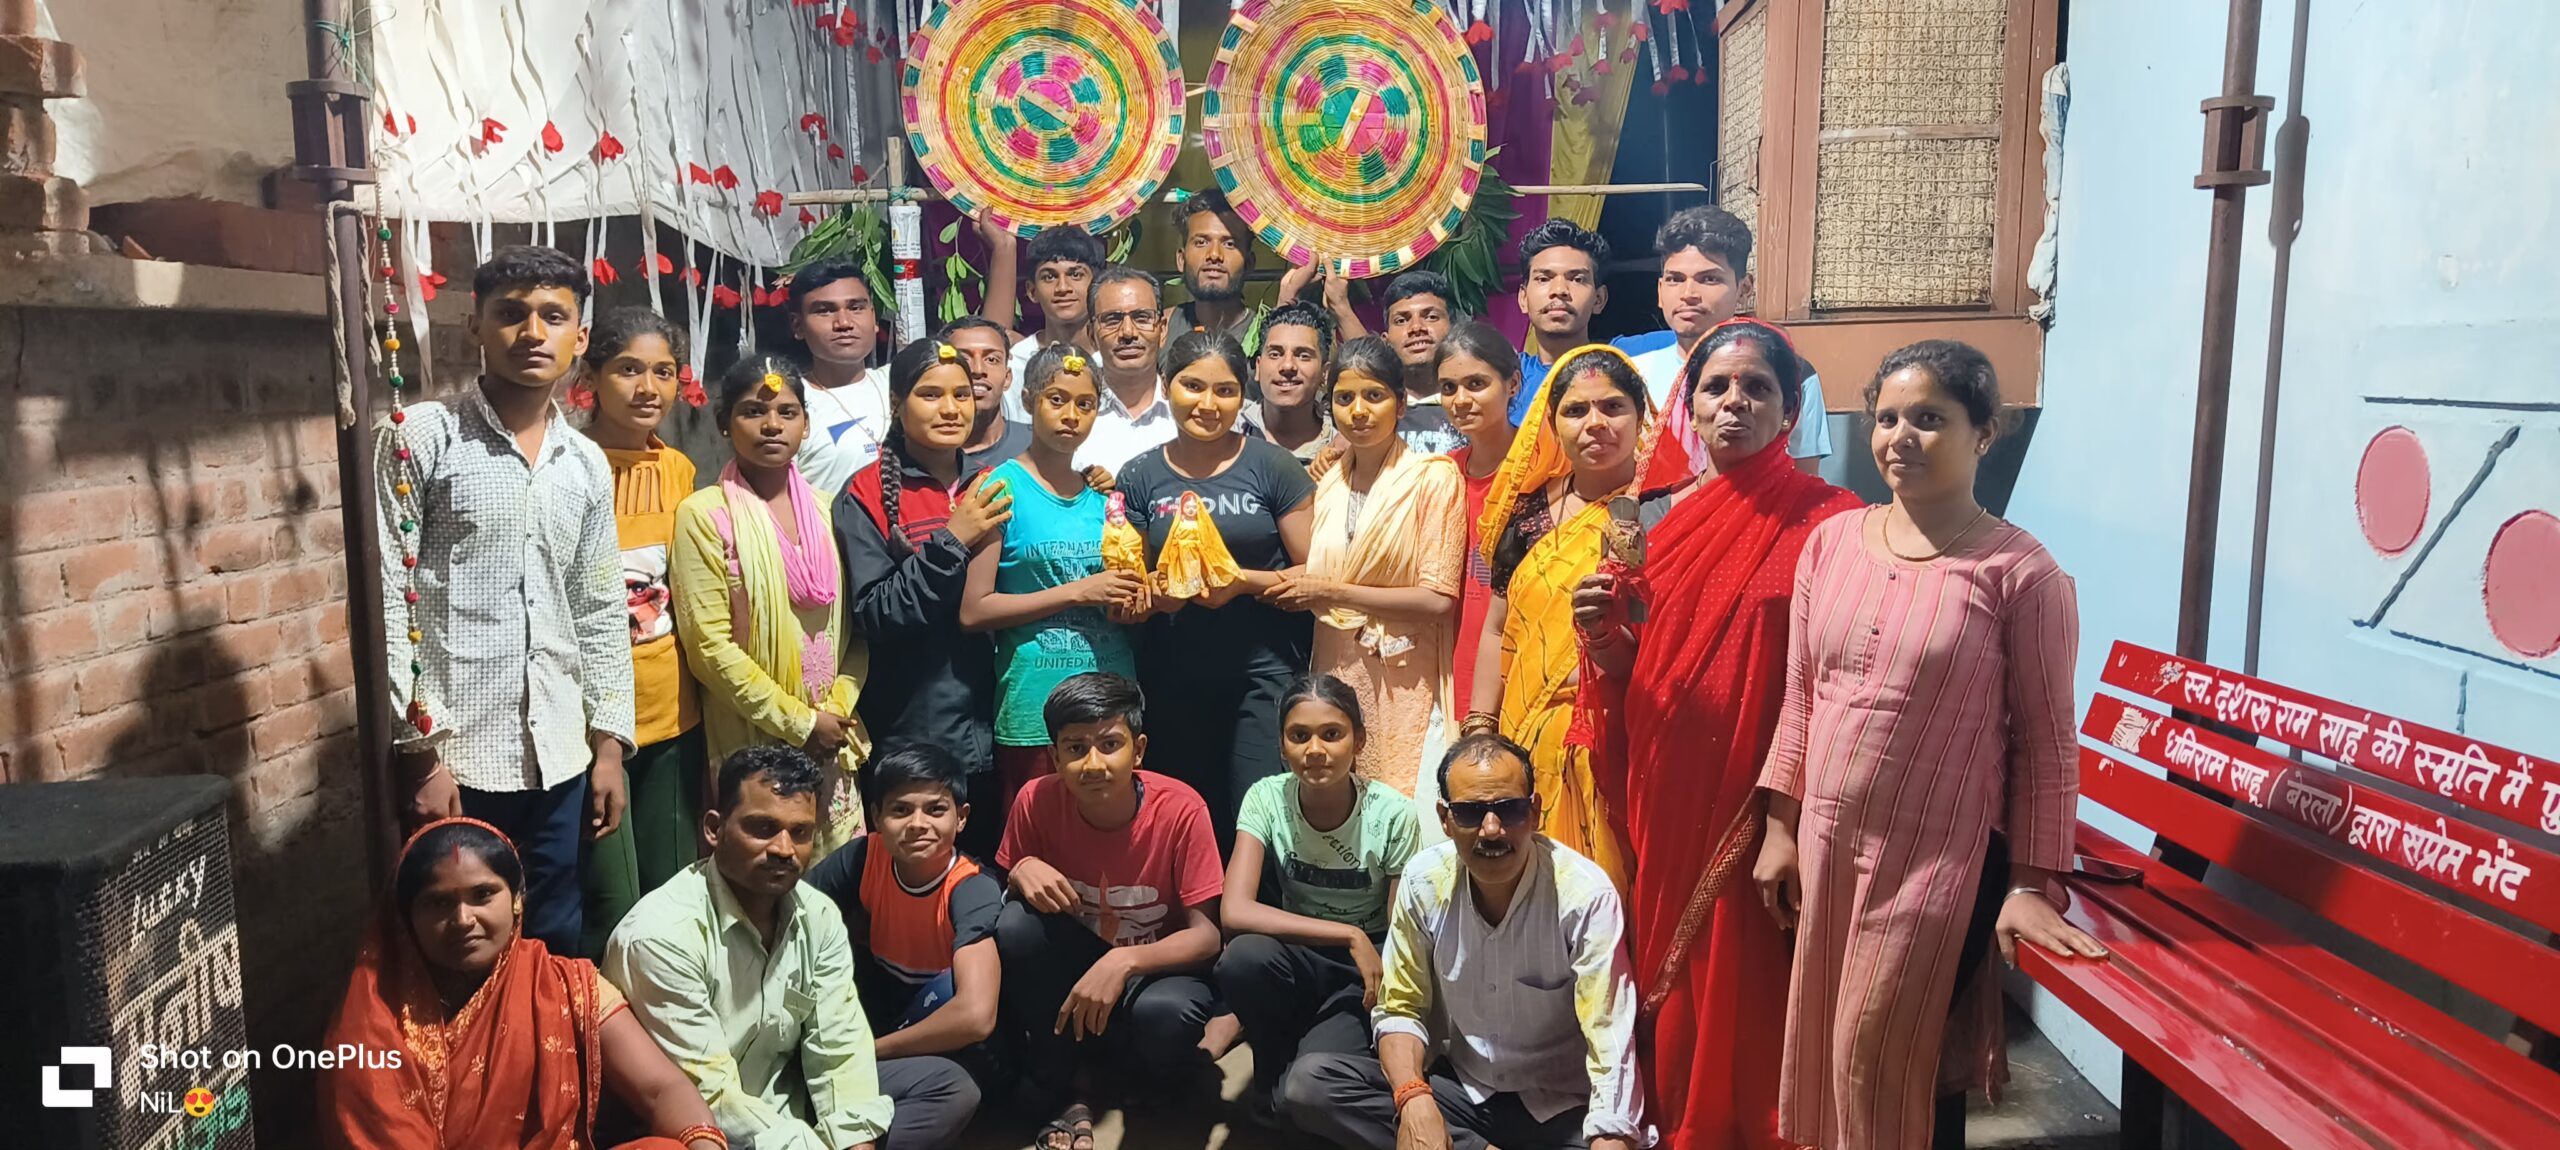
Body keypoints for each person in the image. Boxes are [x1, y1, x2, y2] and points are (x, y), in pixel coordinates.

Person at [1751, 340, 2105, 1150]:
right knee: (1832, 1045)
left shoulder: (2020, 573)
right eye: (1886, 419)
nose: (1899, 438)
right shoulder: (1832, 544)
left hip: (1939, 863)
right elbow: (1802, 696)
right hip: (1829, 845)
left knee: (1875, 1054)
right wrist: (1779, 827)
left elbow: (2048, 744)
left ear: (1985, 432)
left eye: (1929, 419)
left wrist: (2031, 885)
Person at [1571, 320, 1862, 1149]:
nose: (1735, 402)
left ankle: (1761, 1122)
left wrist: (1787, 809)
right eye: (1716, 388)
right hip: (1667, 773)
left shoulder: (1834, 521)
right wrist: (1602, 633)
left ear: (1791, 408)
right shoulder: (1656, 520)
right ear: (1689, 408)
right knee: (1674, 944)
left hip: (1769, 783)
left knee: (1756, 947)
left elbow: (1839, 671)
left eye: (1757, 388)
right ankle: (1674, 1115)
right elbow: (1633, 665)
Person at [378, 244, 633, 956]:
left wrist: (608, 746)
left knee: (551, 935)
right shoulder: (421, 439)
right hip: (458, 758)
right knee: (454, 944)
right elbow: (389, 598)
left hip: (560, 755)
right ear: (476, 328)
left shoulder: (584, 463)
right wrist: (420, 754)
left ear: (580, 336)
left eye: (554, 316)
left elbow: (597, 606)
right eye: (512, 314)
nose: (533, 333)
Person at [1277, 734, 1649, 1150]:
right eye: (1470, 813)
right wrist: (1413, 1098)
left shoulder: (1582, 895)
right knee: (1312, 1085)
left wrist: (1610, 1138)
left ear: (1534, 812)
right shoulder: (1424, 882)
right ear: (1445, 818)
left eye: (1509, 809)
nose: (1491, 830)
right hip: (1465, 1093)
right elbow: (1401, 1007)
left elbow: (1610, 1035)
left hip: (1560, 1106)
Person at [607, 747, 980, 1150]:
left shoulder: (817, 914)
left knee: (947, 1088)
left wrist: (855, 1141)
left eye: (800, 833)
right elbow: (709, 1096)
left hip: (790, 1099)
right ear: (714, 829)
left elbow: (838, 1047)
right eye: (762, 828)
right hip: (703, 1130)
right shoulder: (663, 937)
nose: (783, 849)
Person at [320, 819, 726, 1150]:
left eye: (482, 895)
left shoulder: (562, 983)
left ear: (517, 899)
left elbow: (660, 1088)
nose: (463, 920)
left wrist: (703, 1143)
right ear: (407, 917)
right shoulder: (371, 1021)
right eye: (438, 903)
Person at [1468, 345, 1672, 891]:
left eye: (1613, 407)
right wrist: (1480, 731)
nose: (1595, 423)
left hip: (1626, 737)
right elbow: (1497, 628)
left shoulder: (1666, 511)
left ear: (1641, 416)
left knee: (1611, 891)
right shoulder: (1528, 512)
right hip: (1525, 730)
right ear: (1552, 424)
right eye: (1576, 410)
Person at [995, 673, 1227, 1150]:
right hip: (1075, 966)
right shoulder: (1035, 801)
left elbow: (1206, 937)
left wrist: (1123, 961)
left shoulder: (1182, 810)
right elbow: (1008, 898)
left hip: (1155, 970)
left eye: (1109, 744)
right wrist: (1019, 869)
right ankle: (1065, 1085)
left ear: (1138, 750)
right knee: (1016, 926)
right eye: (1076, 748)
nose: (1093, 763)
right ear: (1055, 757)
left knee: (1167, 1015)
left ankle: (1134, 1076)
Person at [1117, 330, 1316, 847]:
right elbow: (1126, 592)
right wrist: (1154, 596)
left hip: (1264, 676)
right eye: (1193, 386)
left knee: (1258, 815)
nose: (1208, 404)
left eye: (1225, 391)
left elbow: (1317, 576)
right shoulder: (1138, 475)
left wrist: (1243, 584)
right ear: (1166, 385)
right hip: (1172, 678)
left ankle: (1258, 902)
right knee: (1187, 817)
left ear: (1242, 395)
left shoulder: (1272, 466)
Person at [672, 357, 865, 852]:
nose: (772, 425)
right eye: (753, 411)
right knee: (763, 865)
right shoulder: (704, 516)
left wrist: (834, 713)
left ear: (806, 424)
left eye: (787, 412)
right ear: (724, 423)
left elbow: (857, 630)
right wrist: (800, 724)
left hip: (831, 736)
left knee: (836, 874)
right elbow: (709, 646)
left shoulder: (831, 510)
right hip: (751, 735)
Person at [1214, 675, 1420, 1125]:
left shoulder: (1394, 814)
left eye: (1331, 734)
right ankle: (1270, 1065)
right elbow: (1235, 910)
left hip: (1363, 968)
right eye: (1299, 736)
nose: (1314, 750)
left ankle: (1304, 1068)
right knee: (1243, 958)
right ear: (1281, 745)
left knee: (1310, 1086)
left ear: (1358, 740)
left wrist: (1368, 956)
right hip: (1301, 953)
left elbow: (1400, 930)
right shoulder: (1266, 797)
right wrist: (1347, 934)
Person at [838, 337, 1015, 862]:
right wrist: (953, 539)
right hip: (912, 728)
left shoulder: (997, 481)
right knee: (916, 872)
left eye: (961, 395)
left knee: (988, 872)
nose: (950, 408)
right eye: (931, 395)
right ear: (897, 404)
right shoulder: (866, 493)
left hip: (1001, 720)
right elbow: (876, 612)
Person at [1271, 336, 1464, 797]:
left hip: (1407, 676)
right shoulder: (1329, 481)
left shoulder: (1433, 478)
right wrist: (1235, 580)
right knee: (1344, 805)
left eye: (1374, 396)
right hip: (1337, 666)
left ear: (1401, 405)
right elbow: (1318, 571)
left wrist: (1332, 594)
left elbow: (1437, 599)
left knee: (1406, 804)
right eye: (1344, 398)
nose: (1358, 411)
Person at [960, 343, 1146, 813]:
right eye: (1056, 399)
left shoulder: (1104, 498)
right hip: (1035, 705)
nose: (1071, 416)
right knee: (1039, 837)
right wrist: (1077, 592)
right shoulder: (999, 488)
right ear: (1028, 400)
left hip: (1111, 701)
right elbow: (975, 610)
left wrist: (1135, 604)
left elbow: (1118, 599)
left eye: (1085, 404)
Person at [578, 307, 708, 956]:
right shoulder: (571, 465)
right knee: (611, 904)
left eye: (663, 372)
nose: (648, 388)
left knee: (672, 895)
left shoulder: (679, 469)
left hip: (674, 711)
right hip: (592, 723)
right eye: (628, 370)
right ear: (591, 377)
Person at [805, 743, 1005, 1088]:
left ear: (961, 817)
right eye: (901, 810)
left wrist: (870, 1051)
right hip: (882, 1000)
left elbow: (975, 1016)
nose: (917, 824)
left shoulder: (971, 887)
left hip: (942, 1025)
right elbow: (794, 908)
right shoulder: (863, 856)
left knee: (952, 1007)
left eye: (935, 809)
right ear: (877, 817)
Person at [1618, 206, 1832, 471]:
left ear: (1744, 288)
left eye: (1709, 279)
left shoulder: (1792, 375)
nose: (1688, 293)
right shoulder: (1630, 375)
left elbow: (1803, 480)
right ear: (1660, 291)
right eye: (1675, 279)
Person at [1436, 323, 1523, 721]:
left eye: (1476, 384)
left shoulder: (1544, 469)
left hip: (1520, 667)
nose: (1460, 400)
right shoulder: (1441, 474)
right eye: (1448, 388)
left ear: (1513, 384)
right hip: (1450, 668)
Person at [788, 256, 894, 497]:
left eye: (856, 308)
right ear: (798, 325)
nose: (844, 323)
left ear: (874, 317)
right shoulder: (789, 404)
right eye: (825, 311)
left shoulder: (902, 383)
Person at [989, 224, 1107, 418]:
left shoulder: (1114, 361)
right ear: (1032, 291)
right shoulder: (1016, 363)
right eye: (1049, 277)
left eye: (1075, 275)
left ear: (1097, 286)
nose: (1063, 287)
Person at [1076, 265, 1180, 474]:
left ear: (1162, 330)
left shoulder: (1189, 411)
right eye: (1112, 320)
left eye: (1142, 318)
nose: (1127, 332)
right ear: (1091, 335)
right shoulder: (1071, 415)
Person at [1508, 220, 1612, 425]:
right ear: (1523, 298)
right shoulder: (1504, 378)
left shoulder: (1633, 358)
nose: (1559, 290)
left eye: (1577, 279)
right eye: (1543, 279)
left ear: (1599, 299)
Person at [1163, 187, 1266, 352]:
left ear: (1249, 263)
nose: (1214, 254)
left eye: (1229, 244)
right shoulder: (1161, 329)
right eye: (1201, 242)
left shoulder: (1267, 339)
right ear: (1181, 259)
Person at [1375, 272, 1465, 455]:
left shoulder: (1475, 407)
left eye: (1431, 317)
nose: (1416, 328)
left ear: (1454, 330)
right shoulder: (1372, 412)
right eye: (1401, 320)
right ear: (1385, 340)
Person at [1254, 300, 1336, 462]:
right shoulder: (1229, 432)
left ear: (1324, 373)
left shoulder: (1345, 449)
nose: (1287, 366)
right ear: (1258, 367)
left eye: (1303, 356)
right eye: (1275, 354)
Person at [945, 315, 1031, 469]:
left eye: (991, 359)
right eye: (963, 359)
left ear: (1007, 378)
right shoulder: (920, 451)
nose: (978, 370)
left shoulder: (1036, 447)